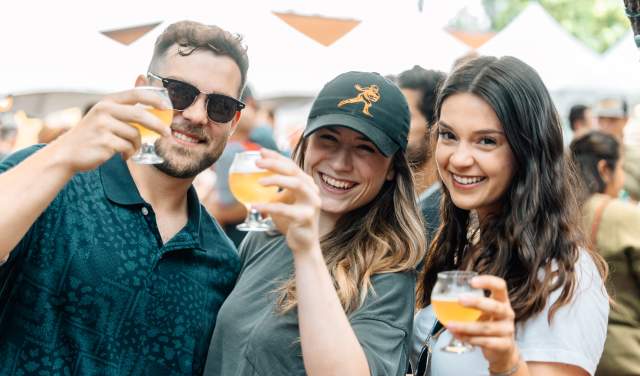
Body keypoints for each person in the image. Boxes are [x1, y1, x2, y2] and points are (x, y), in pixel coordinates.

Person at [0, 20, 247, 375]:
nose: (195, 115)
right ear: (142, 90)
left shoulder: (222, 262)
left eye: (220, 106)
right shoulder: (51, 173)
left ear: (234, 121)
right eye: (179, 92)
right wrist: (64, 153)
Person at [204, 71, 426, 375]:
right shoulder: (267, 235)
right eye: (328, 139)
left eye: (365, 148)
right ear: (305, 144)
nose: (340, 163)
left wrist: (307, 249)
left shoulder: (387, 275)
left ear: (391, 169)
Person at [412, 56, 609, 376]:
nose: (459, 158)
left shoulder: (563, 275)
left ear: (527, 151)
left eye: (486, 141)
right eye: (449, 135)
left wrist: (507, 363)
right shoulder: (470, 244)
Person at [570, 131, 640, 375]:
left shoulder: (561, 217)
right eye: (621, 169)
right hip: (623, 356)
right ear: (604, 169)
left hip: (576, 356)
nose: (622, 179)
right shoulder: (624, 215)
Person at [397, 65, 447, 245]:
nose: (394, 126)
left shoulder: (446, 215)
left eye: (404, 116)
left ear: (435, 126)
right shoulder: (395, 200)